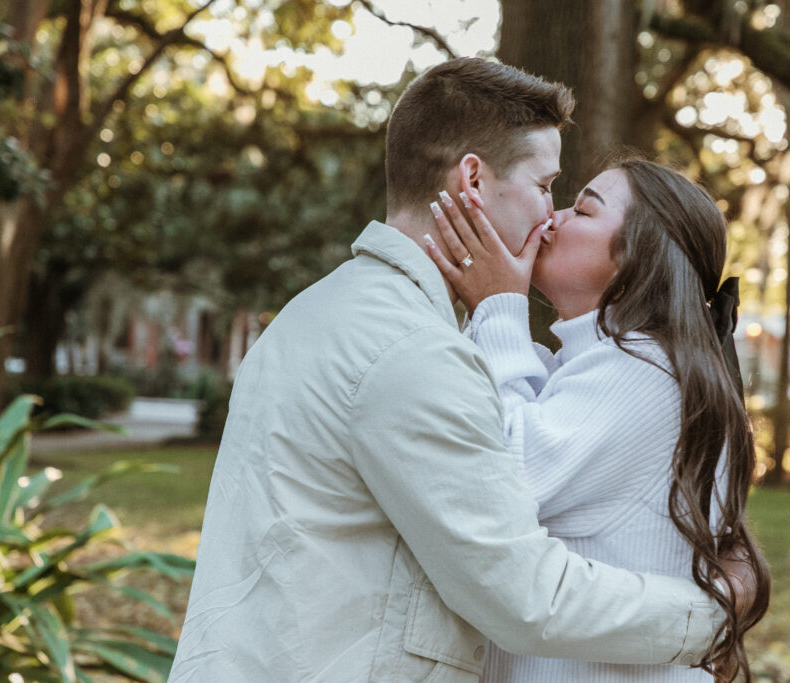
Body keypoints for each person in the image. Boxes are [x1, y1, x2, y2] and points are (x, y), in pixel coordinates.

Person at [169, 59, 749, 683]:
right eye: (545, 185)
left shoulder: (322, 311)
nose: (549, 216)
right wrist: (714, 615)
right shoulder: (409, 349)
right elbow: (520, 587)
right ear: (472, 179)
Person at [425, 156, 771, 682]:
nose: (552, 217)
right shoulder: (597, 366)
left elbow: (498, 478)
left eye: (582, 210)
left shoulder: (645, 368)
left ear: (638, 259)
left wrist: (498, 306)